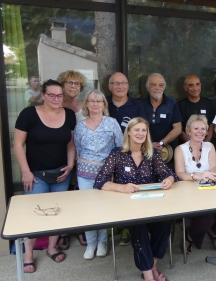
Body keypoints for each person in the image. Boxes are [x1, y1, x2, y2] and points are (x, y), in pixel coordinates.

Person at [93, 117, 178, 281]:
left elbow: (169, 174)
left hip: (150, 204)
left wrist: (169, 180)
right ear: (129, 133)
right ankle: (149, 276)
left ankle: (152, 265)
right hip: (127, 207)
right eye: (137, 130)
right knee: (139, 228)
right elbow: (100, 181)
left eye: (144, 130)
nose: (140, 133)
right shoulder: (117, 154)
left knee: (164, 223)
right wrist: (121, 187)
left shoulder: (150, 154)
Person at [13, 79, 76, 273]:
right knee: (35, 216)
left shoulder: (70, 115)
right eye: (52, 95)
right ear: (43, 95)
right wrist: (26, 171)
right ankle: (28, 254)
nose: (57, 98)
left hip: (60, 174)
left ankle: (51, 247)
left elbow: (70, 144)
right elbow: (17, 145)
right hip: (35, 176)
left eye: (60, 95)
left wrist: (71, 165)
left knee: (57, 213)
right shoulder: (29, 114)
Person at [74, 90, 123, 260]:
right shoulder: (80, 126)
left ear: (104, 104)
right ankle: (91, 243)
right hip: (85, 175)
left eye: (99, 101)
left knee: (103, 209)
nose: (95, 104)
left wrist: (114, 171)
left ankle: (102, 242)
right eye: (92, 101)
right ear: (86, 104)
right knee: (88, 210)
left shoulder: (112, 123)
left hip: (106, 174)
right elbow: (78, 149)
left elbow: (119, 147)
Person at [107, 72, 146, 246]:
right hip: (106, 155)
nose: (120, 86)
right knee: (111, 188)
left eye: (123, 83)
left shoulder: (137, 105)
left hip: (129, 154)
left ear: (128, 86)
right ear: (110, 86)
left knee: (128, 185)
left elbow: (142, 127)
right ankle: (110, 226)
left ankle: (127, 227)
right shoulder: (103, 104)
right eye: (116, 83)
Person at [174, 115, 216, 254]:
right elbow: (179, 174)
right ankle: (189, 236)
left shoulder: (210, 146)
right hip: (189, 192)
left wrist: (214, 175)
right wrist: (198, 176)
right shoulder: (180, 149)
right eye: (196, 128)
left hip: (210, 189)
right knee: (206, 217)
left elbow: (214, 166)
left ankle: (215, 232)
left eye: (203, 129)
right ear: (189, 130)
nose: (200, 131)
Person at [57, 70, 88, 248]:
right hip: (60, 154)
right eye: (69, 83)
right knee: (64, 194)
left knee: (79, 193)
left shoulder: (84, 106)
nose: (73, 86)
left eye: (77, 84)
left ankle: (81, 228)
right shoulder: (55, 104)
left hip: (82, 157)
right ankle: (63, 231)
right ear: (62, 84)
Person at [140, 73, 182, 160]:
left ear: (164, 87)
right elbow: (134, 128)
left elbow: (178, 128)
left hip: (166, 153)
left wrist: (161, 143)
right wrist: (149, 144)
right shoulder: (140, 104)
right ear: (147, 87)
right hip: (143, 152)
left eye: (161, 85)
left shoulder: (172, 103)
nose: (157, 88)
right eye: (153, 85)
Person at [178, 75, 216, 143]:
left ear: (200, 86)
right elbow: (179, 128)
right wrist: (192, 143)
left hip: (206, 145)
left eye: (197, 84)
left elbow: (212, 125)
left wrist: (205, 143)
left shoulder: (208, 104)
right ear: (185, 88)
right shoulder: (180, 105)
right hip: (186, 145)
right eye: (191, 85)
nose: (195, 88)